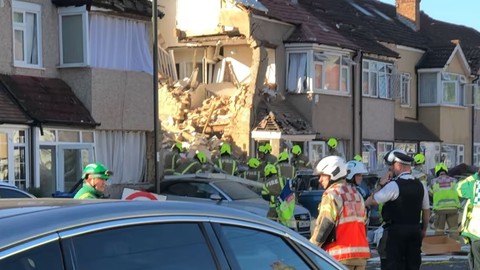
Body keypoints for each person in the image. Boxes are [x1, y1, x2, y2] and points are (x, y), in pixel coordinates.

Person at [365, 149, 430, 270]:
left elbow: (371, 201)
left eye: (391, 167)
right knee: (413, 265)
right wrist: (424, 229)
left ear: (398, 166)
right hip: (415, 230)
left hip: (396, 232)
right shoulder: (421, 185)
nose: (391, 170)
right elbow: (426, 211)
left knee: (393, 264)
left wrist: (380, 184)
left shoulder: (394, 185)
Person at [310, 156, 370, 270]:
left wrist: (311, 247)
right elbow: (364, 224)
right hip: (361, 256)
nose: (320, 180)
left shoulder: (332, 194)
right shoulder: (356, 194)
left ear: (333, 173)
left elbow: (325, 224)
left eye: (323, 175)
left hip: (339, 257)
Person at [455, 168, 480, 269]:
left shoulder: (475, 185)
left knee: (477, 262)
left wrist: (474, 176)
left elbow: (458, 188)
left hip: (476, 232)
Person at [429, 163, 461, 239]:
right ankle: (454, 246)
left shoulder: (434, 182)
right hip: (453, 208)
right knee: (453, 229)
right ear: (446, 171)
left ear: (437, 172)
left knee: (439, 229)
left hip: (439, 209)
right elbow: (460, 192)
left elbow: (430, 194)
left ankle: (440, 246)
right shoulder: (454, 180)